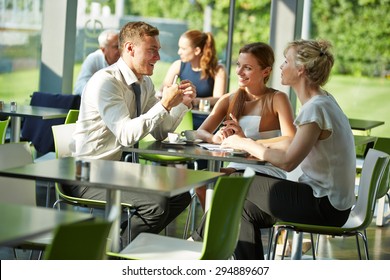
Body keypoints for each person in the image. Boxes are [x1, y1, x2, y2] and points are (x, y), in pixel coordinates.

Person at [193, 39, 356, 260]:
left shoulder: (316, 109)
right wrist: (249, 143)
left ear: (301, 70)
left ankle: (197, 241)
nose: (281, 66)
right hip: (328, 201)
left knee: (233, 183)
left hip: (325, 205)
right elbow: (288, 151)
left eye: (286, 61)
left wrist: (245, 143)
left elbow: (288, 161)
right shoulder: (323, 102)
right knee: (239, 210)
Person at [68, 21, 196, 241]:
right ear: (129, 48)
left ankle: (119, 240)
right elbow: (126, 134)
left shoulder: (144, 83)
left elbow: (160, 131)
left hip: (115, 171)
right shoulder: (105, 82)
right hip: (85, 173)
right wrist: (164, 104)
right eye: (152, 50)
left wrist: (182, 103)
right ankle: (117, 256)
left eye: (158, 51)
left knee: (179, 195)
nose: (158, 57)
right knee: (155, 204)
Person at [194, 42, 296, 210]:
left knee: (219, 186)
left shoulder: (277, 99)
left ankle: (213, 233)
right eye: (238, 65)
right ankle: (213, 231)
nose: (239, 72)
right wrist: (215, 138)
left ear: (266, 71)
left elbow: (291, 139)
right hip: (236, 168)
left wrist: (245, 141)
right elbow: (200, 132)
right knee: (202, 184)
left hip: (266, 170)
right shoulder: (228, 99)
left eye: (247, 68)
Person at [160, 30, 227, 129]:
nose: (179, 52)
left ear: (197, 51)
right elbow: (163, 91)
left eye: (183, 49)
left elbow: (219, 99)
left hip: (206, 120)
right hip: (182, 117)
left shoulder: (218, 69)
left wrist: (194, 101)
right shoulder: (178, 65)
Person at [73, 29, 120, 95]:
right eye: (116, 46)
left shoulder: (127, 59)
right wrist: (98, 93)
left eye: (122, 46)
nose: (121, 49)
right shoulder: (94, 58)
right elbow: (79, 86)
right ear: (103, 49)